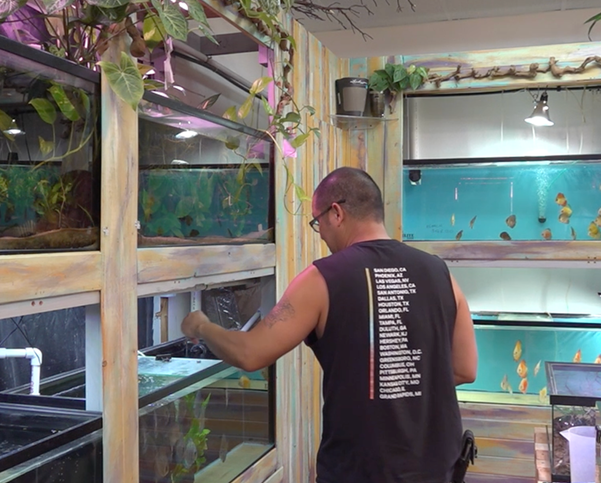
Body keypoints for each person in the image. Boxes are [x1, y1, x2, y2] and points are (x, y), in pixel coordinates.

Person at [181, 167, 477, 483]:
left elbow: (250, 353)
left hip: (361, 471)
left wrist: (201, 325)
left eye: (316, 221)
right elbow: (464, 368)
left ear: (336, 213)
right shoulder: (439, 272)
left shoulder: (323, 278)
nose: (319, 232)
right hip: (439, 470)